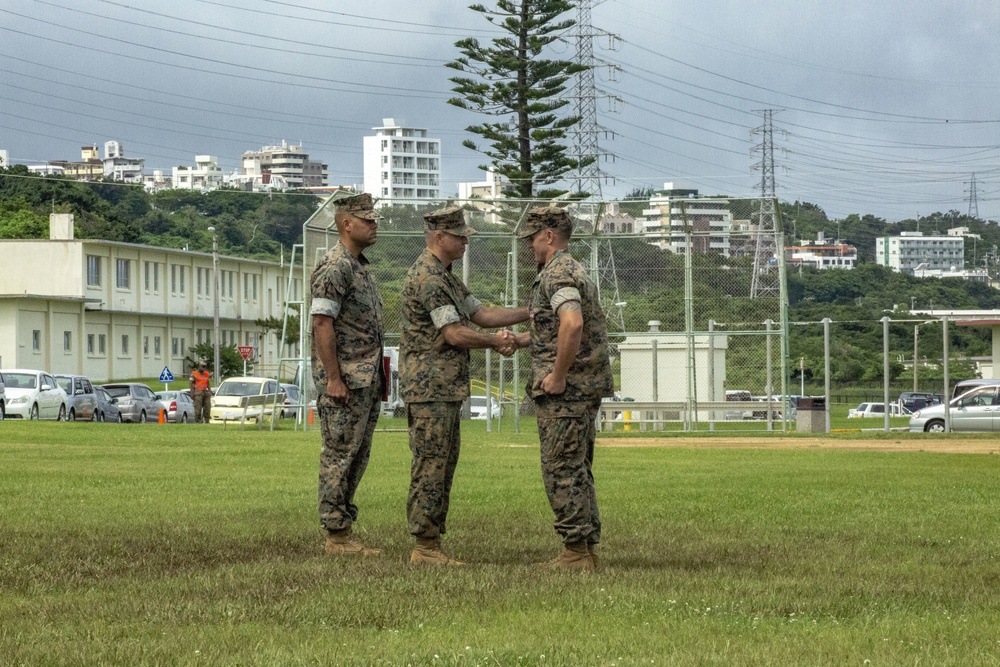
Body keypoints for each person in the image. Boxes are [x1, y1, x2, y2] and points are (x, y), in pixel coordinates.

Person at [400, 205, 527, 565]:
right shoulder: (429, 278)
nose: (465, 242)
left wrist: (530, 312)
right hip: (430, 389)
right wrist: (499, 342)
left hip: (444, 388)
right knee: (431, 465)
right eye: (459, 236)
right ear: (439, 237)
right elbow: (455, 334)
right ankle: (424, 546)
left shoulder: (448, 277)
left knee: (444, 463)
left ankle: (431, 543)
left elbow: (481, 315)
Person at [511, 206, 614, 571]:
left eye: (533, 238)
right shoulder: (568, 269)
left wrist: (557, 374)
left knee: (561, 468)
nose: (530, 246)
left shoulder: (558, 272)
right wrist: (524, 340)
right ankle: (584, 547)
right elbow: (556, 327)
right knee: (577, 466)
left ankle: (575, 552)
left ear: (549, 236)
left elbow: (572, 323)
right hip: (582, 388)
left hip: (566, 393)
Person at [310, 192, 385, 557]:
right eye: (367, 220)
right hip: (345, 382)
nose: (375, 225)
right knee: (339, 454)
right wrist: (333, 379)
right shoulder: (335, 267)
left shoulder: (359, 268)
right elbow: (322, 323)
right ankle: (336, 534)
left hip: (364, 381)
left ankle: (343, 528)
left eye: (374, 219)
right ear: (346, 224)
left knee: (357, 455)